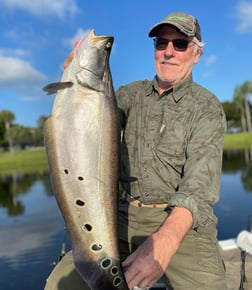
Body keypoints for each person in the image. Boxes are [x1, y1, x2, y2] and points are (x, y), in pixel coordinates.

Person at [45, 12, 228, 290]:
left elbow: (198, 188)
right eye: (161, 42)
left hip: (180, 220)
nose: (168, 51)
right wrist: (71, 84)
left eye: (180, 44)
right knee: (60, 284)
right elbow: (90, 125)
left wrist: (164, 242)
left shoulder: (207, 108)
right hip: (120, 215)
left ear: (197, 54)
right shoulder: (130, 94)